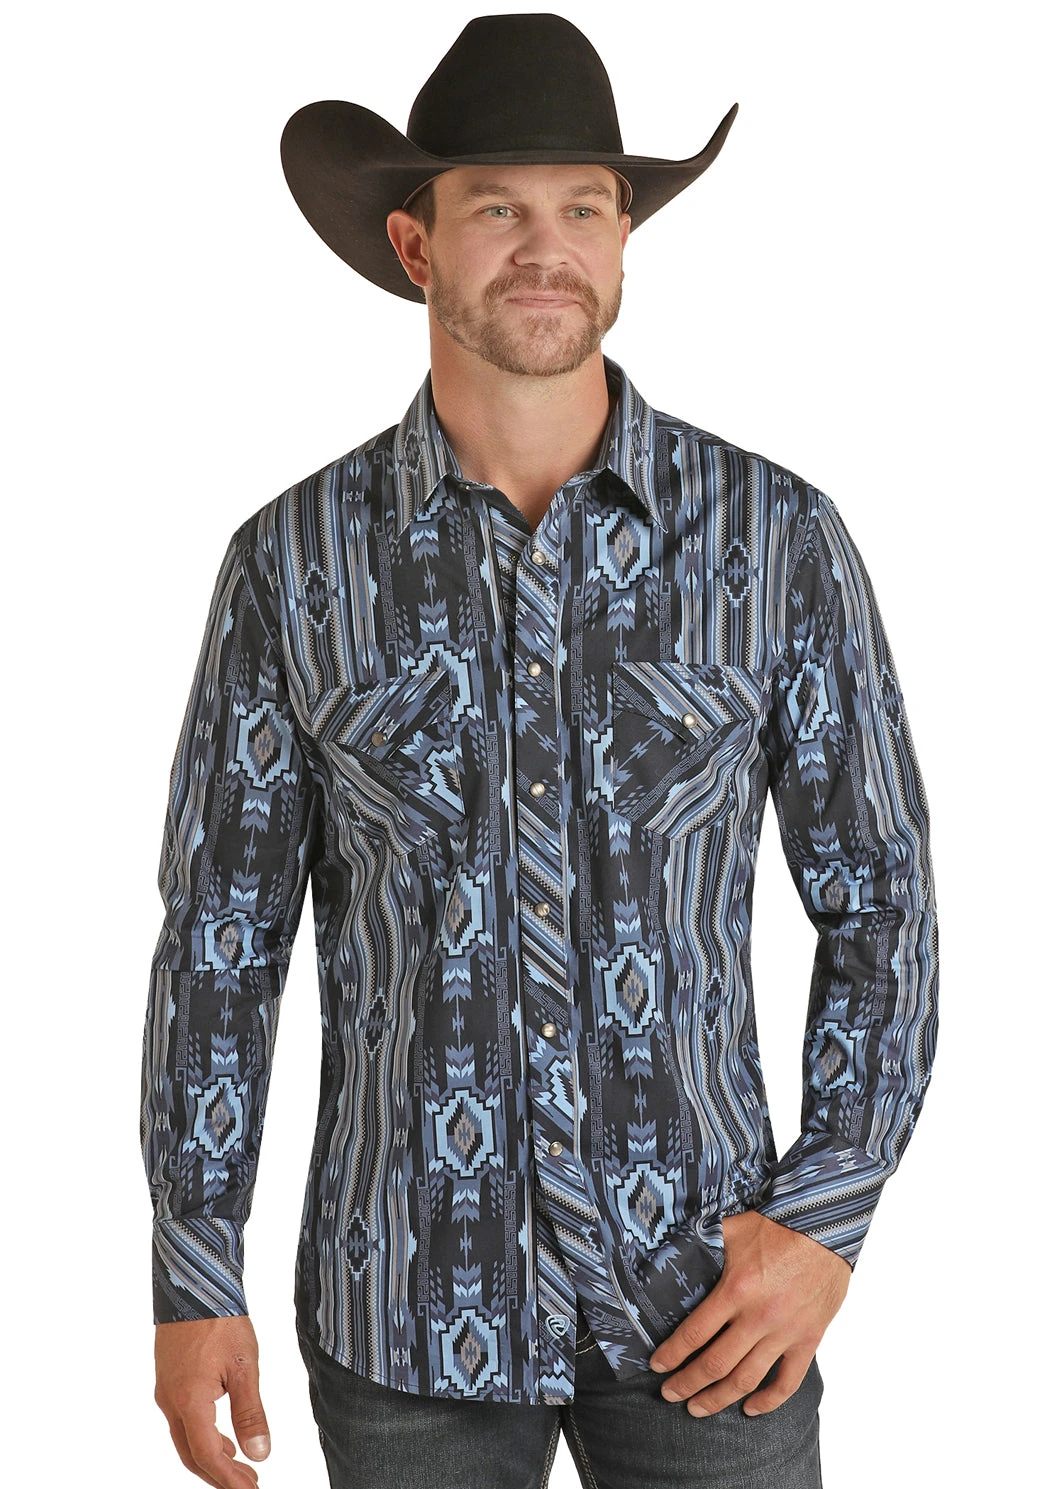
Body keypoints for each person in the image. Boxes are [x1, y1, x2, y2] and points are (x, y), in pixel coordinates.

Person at [142, 14, 939, 1489]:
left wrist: (825, 1217)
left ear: (624, 239)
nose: (545, 249)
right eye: (497, 209)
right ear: (414, 244)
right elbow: (221, 942)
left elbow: (880, 898)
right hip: (404, 1309)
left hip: (710, 1301)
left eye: (583, 207)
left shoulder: (777, 543)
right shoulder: (292, 565)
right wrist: (195, 1272)